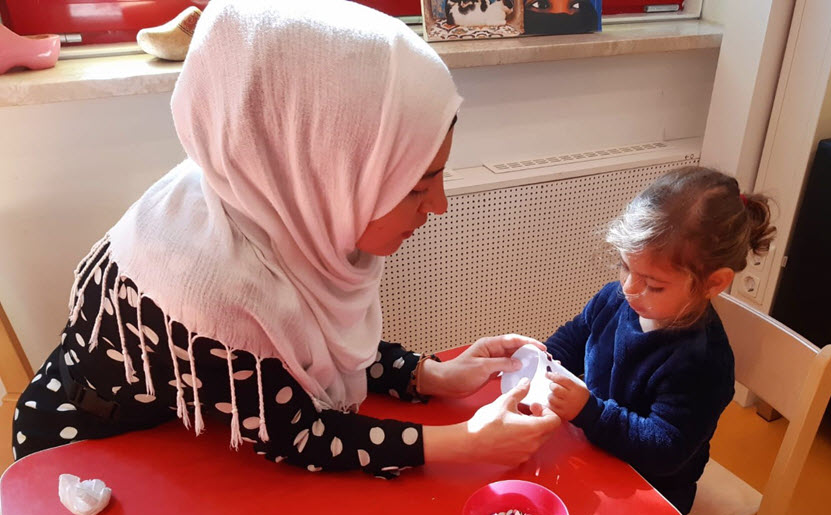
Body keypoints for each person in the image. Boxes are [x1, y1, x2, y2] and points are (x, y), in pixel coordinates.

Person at [11, 0, 560, 474]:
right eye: (417, 187)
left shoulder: (270, 195)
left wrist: (430, 375)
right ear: (324, 172)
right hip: (84, 459)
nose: (438, 207)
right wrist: (465, 444)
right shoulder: (213, 290)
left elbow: (303, 352)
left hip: (174, 437)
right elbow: (299, 434)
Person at [542, 167, 776, 514]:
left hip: (654, 490)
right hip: (595, 450)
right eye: (625, 266)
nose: (629, 288)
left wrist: (589, 412)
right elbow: (576, 337)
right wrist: (541, 356)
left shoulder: (702, 361)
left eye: (654, 284)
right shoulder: (616, 299)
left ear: (714, 283)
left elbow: (665, 449)